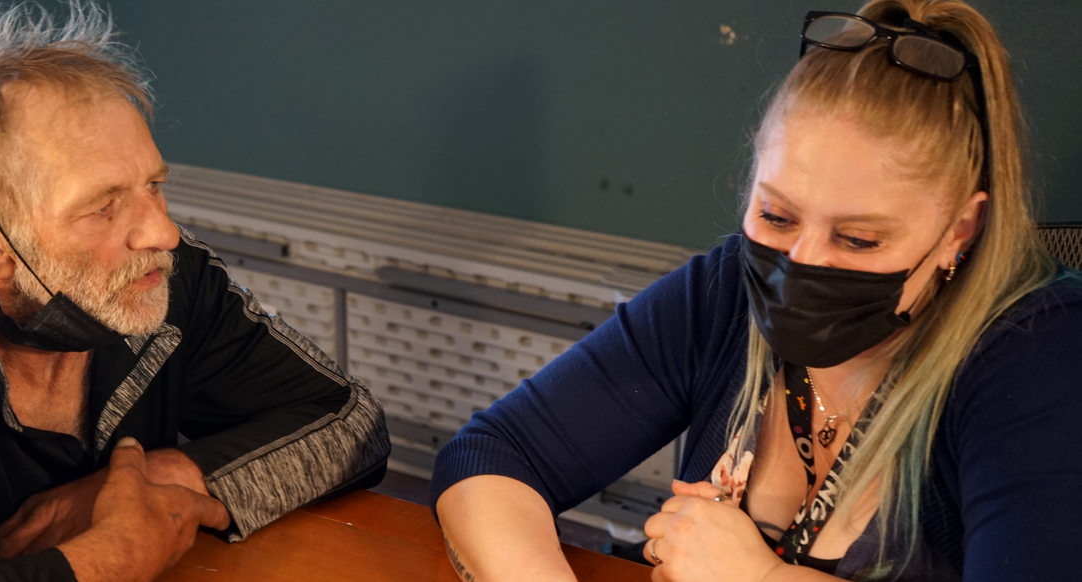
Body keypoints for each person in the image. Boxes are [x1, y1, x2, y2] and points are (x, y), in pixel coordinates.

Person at [430, 1, 1082, 580]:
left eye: (858, 241)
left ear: (959, 230)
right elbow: (494, 455)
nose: (800, 262)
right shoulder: (724, 291)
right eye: (777, 216)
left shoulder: (1039, 351)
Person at [0, 3, 389, 581]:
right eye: (103, 207)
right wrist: (109, 556)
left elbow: (350, 422)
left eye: (153, 185)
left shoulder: (162, 275)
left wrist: (160, 476)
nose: (164, 232)